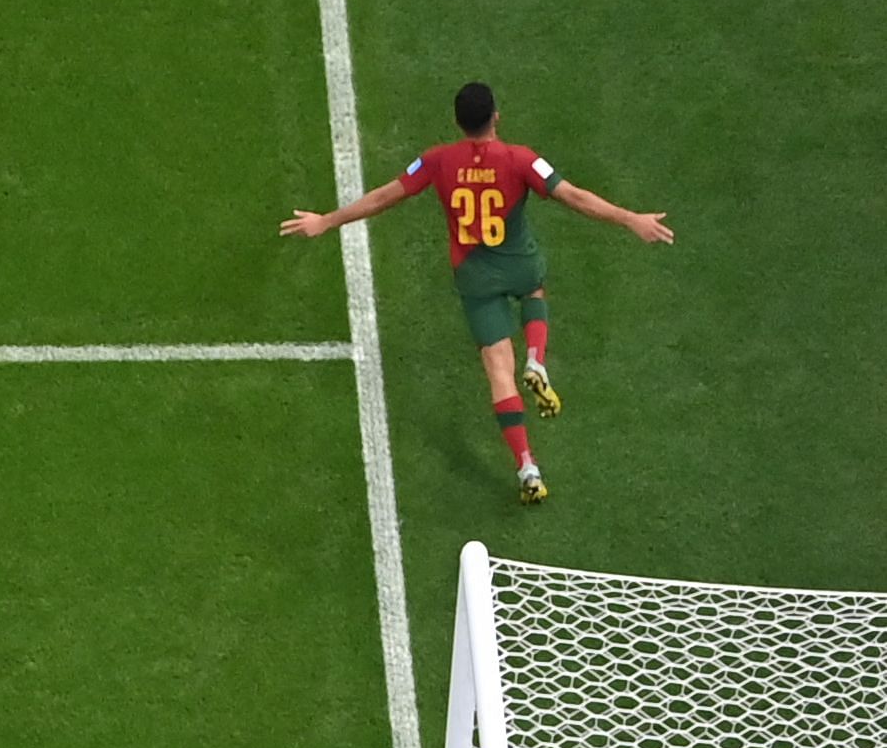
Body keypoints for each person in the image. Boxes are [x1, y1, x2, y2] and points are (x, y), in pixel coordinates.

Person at [280, 82, 674, 503]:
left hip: (475, 276)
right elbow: (573, 196)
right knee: (534, 292)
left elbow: (384, 197)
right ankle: (537, 359)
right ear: (496, 117)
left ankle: (527, 467)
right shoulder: (522, 159)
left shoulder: (436, 161)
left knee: (496, 369)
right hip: (518, 264)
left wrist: (327, 220)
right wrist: (631, 218)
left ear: (457, 122)